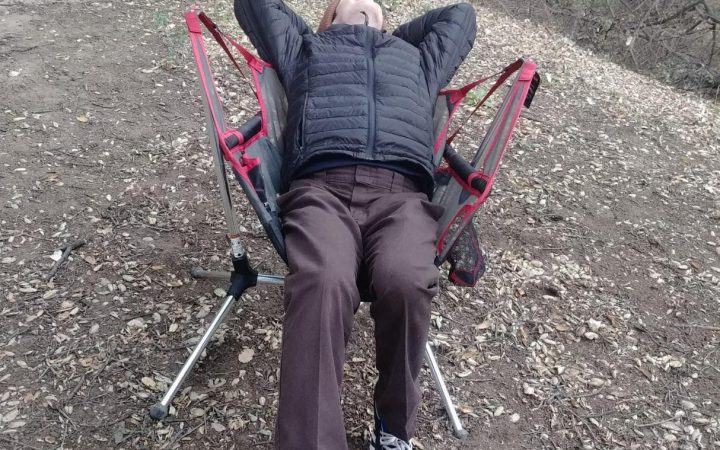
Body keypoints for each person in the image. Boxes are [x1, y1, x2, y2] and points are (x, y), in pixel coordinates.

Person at [233, 1, 477, 449]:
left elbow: (460, 16)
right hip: (321, 189)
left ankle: (393, 429)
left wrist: (386, 39)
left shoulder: (419, 61)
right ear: (326, 18)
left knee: (406, 279)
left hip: (401, 197)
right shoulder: (304, 49)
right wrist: (327, 31)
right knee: (324, 280)